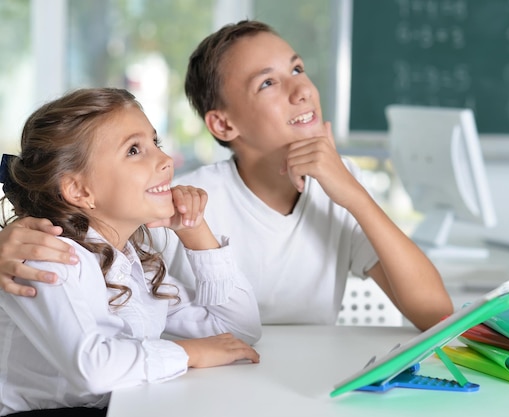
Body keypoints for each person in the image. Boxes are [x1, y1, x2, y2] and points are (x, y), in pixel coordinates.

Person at [0, 20, 453, 331]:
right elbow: (83, 240)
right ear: (223, 125)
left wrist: (354, 194)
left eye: (297, 68)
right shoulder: (180, 202)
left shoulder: (339, 186)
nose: (302, 90)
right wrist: (18, 235)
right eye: (268, 83)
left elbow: (436, 314)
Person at [0, 88, 261, 416]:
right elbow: (93, 369)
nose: (165, 160)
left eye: (156, 143)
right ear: (80, 190)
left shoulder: (137, 263)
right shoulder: (50, 257)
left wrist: (194, 229)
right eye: (135, 150)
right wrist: (189, 353)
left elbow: (240, 330)